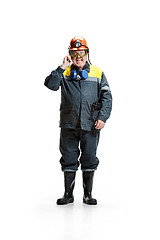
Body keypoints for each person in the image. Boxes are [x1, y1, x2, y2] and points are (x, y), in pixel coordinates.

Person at [44, 36, 112, 205]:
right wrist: (61, 67)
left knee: (89, 158)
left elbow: (107, 97)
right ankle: (68, 194)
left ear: (87, 53)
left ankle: (87, 195)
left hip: (91, 124)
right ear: (70, 55)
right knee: (68, 158)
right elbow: (50, 85)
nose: (78, 57)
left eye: (81, 52)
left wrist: (102, 117)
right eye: (74, 53)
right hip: (69, 124)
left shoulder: (97, 73)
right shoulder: (65, 72)